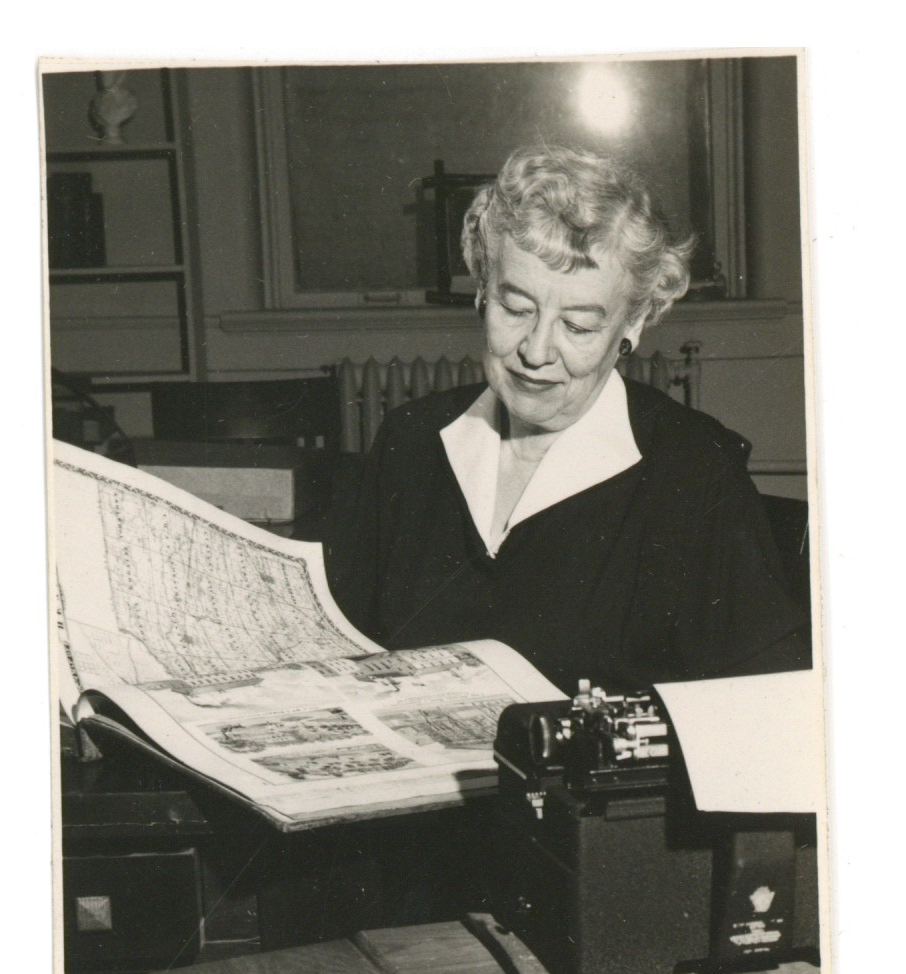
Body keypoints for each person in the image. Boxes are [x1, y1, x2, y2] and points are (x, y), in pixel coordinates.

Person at [324, 146, 810, 697]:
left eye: (577, 326)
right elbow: (339, 644)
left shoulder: (694, 472)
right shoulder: (409, 439)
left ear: (634, 323)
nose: (535, 351)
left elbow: (768, 711)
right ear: (483, 290)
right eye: (516, 308)